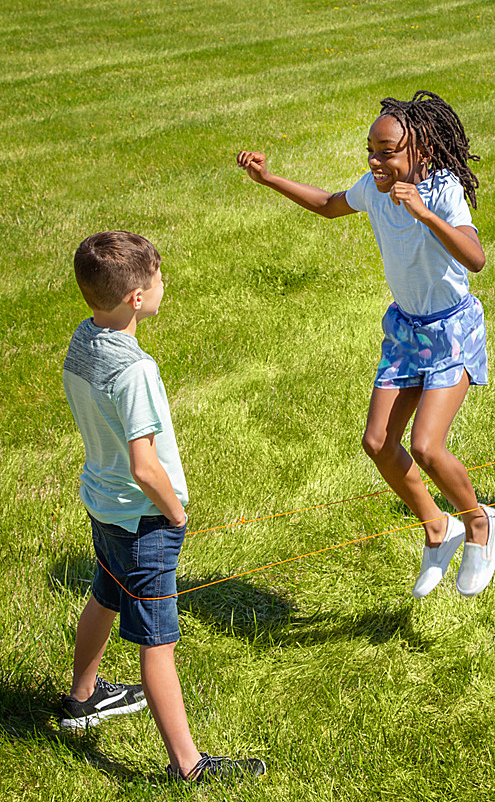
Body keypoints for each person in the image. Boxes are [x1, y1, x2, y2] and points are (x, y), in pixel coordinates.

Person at [238, 91, 495, 598]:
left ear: (420, 152)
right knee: (378, 442)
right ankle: (435, 527)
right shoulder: (374, 189)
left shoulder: (443, 190)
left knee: (426, 444)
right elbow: (328, 205)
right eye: (371, 151)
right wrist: (269, 179)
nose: (376, 161)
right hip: (406, 330)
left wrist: (426, 214)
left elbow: (475, 257)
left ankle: (478, 522)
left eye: (387, 152)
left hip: (451, 329)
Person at [62, 231, 266, 782]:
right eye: (156, 280)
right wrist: (174, 511)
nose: (162, 286)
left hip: (103, 505)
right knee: (158, 639)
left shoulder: (82, 343)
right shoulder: (136, 370)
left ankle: (83, 695)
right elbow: (144, 464)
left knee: (107, 591)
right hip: (143, 517)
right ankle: (188, 765)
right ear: (135, 298)